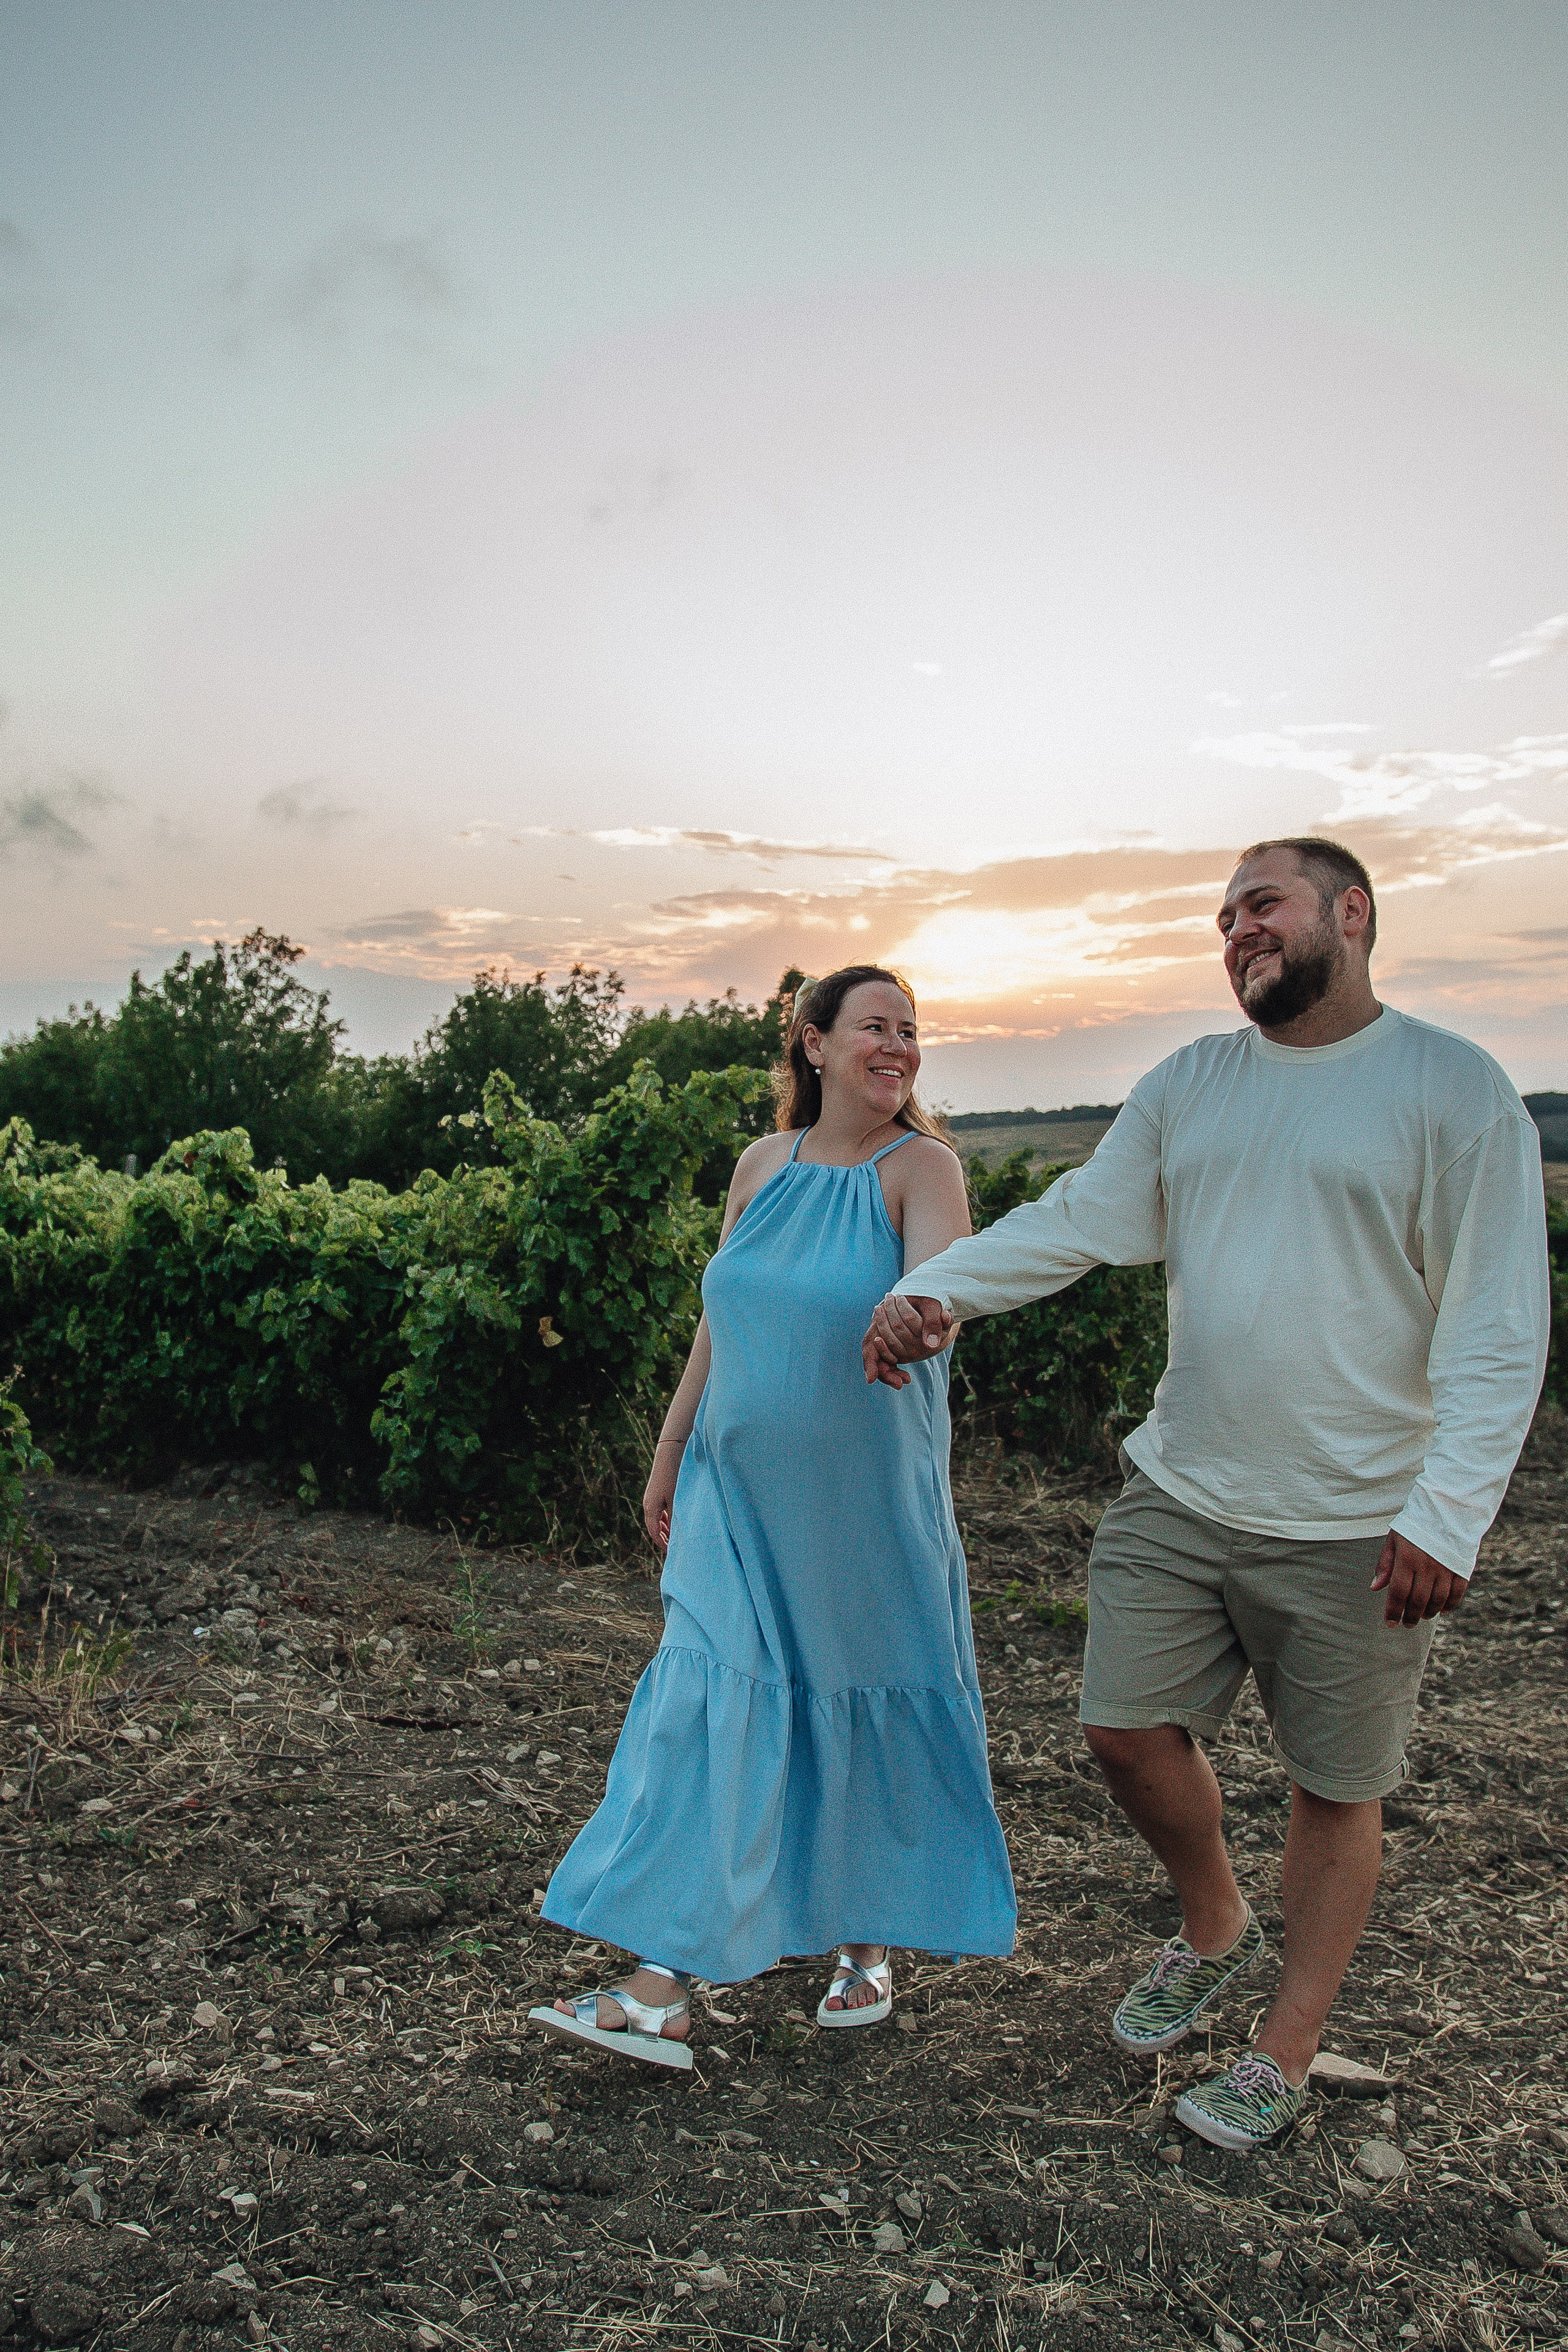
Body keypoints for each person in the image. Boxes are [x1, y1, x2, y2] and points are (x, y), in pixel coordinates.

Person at [864, 839, 1550, 2150]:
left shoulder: (1451, 1093)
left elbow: (1496, 1325)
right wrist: (934, 1289)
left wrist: (1446, 1510)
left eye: (1261, 905)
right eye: (1222, 916)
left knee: (1331, 1789)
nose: (1235, 929)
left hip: (1357, 1516)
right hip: (1181, 1486)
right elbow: (1080, 1216)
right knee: (1120, 1735)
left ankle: (1281, 2050)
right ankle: (1212, 1921)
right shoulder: (1192, 1083)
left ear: (1348, 914)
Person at [530, 964, 1016, 2065]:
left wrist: (921, 1315)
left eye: (910, 1031)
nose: (897, 1048)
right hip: (733, 1496)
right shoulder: (762, 1165)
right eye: (874, 1028)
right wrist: (670, 1448)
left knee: (853, 1694)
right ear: (813, 1043)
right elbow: (720, 1318)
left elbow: (946, 1282)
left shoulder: (922, 1169)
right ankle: (660, 1985)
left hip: (863, 1510)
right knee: (711, 1706)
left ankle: (866, 1939)